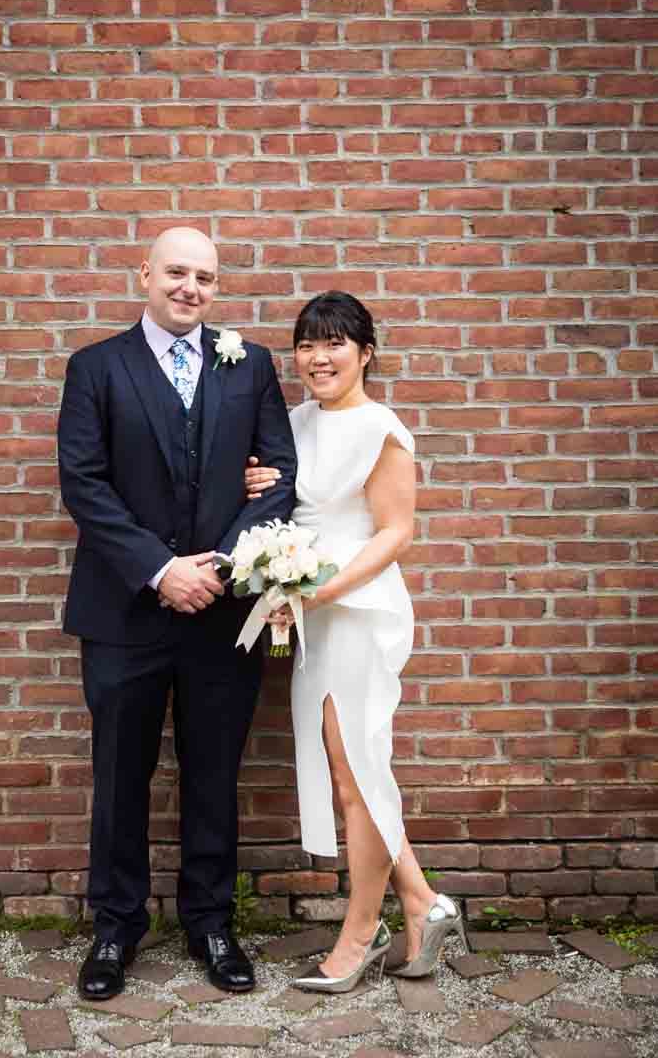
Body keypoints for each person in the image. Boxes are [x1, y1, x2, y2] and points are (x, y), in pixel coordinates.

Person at [57, 227, 297, 1001]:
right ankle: (115, 928)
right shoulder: (95, 367)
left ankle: (211, 922)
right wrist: (160, 571)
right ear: (145, 276)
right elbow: (83, 483)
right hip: (125, 608)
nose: (190, 287)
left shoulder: (250, 363)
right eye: (176, 273)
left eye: (205, 277)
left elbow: (280, 476)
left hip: (221, 610)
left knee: (213, 773)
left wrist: (222, 564)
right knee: (120, 773)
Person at [245, 291, 466, 990]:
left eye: (335, 343)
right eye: (307, 344)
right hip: (309, 612)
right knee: (351, 773)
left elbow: (396, 531)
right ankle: (423, 904)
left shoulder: (383, 428)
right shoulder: (291, 422)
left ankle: (359, 934)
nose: (318, 357)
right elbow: (279, 497)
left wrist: (321, 589)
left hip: (360, 611)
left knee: (355, 775)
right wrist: (256, 485)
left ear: (365, 352)